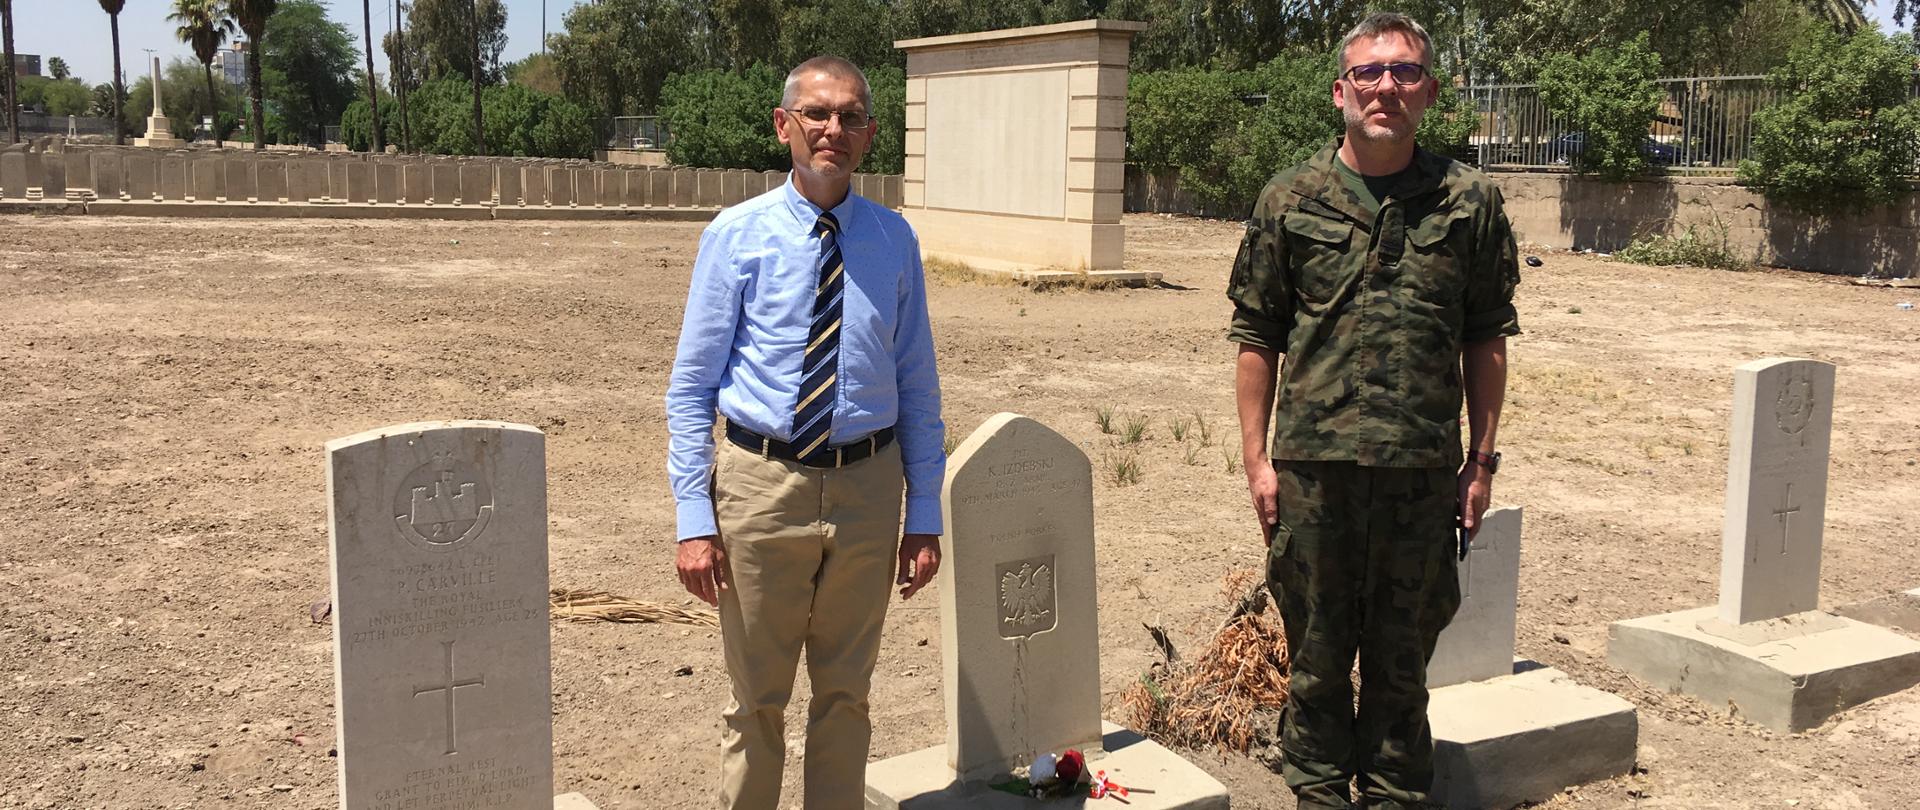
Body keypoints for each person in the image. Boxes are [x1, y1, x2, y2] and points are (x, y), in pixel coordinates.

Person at [1227, 13, 1521, 809]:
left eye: (1405, 72)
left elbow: (1487, 336)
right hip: (1313, 476)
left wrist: (1481, 462)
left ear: (1430, 91)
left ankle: (1395, 796)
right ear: (1340, 91)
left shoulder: (1469, 201)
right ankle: (1318, 795)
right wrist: (1258, 462)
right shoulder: (1290, 198)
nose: (1385, 86)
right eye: (1369, 72)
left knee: (1402, 669)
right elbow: (1258, 335)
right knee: (1315, 662)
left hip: (1422, 478)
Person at [663, 55, 945, 809]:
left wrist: (923, 517)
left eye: (851, 116)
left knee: (847, 696)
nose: (834, 130)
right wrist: (696, 519)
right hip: (763, 487)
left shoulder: (894, 240)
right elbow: (692, 388)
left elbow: (917, 385)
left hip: (867, 486)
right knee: (756, 699)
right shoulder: (737, 235)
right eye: (817, 114)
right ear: (784, 125)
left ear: (870, 134)